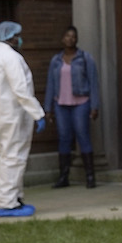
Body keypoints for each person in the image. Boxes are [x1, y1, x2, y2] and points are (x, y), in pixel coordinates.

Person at [0, 21, 46, 217]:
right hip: (12, 115)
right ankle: (7, 202)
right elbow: (20, 89)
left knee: (7, 156)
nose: (19, 39)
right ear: (11, 37)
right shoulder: (12, 57)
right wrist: (38, 113)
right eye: (17, 35)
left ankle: (15, 197)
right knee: (13, 158)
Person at [44, 26, 100, 189]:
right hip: (61, 104)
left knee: (83, 135)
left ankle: (90, 176)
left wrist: (94, 106)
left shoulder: (85, 58)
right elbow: (50, 84)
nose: (70, 39)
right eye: (67, 36)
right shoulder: (56, 60)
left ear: (77, 39)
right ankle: (63, 177)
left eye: (73, 36)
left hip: (81, 103)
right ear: (62, 39)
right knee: (64, 138)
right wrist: (48, 108)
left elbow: (93, 82)